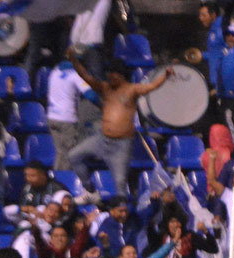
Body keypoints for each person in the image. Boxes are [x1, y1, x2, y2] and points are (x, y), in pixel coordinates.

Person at [66, 48, 172, 204]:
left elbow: (152, 86)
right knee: (74, 156)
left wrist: (165, 76)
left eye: (112, 74)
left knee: (120, 184)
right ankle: (90, 190)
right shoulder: (105, 88)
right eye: (108, 73)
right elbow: (85, 76)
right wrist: (74, 60)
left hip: (121, 145)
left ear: (120, 75)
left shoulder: (132, 89)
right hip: (101, 139)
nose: (109, 76)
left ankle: (121, 212)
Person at [46, 59, 95, 170]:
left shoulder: (55, 72)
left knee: (60, 152)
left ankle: (56, 177)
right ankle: (67, 178)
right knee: (71, 154)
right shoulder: (75, 75)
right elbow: (91, 95)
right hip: (66, 120)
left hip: (52, 117)